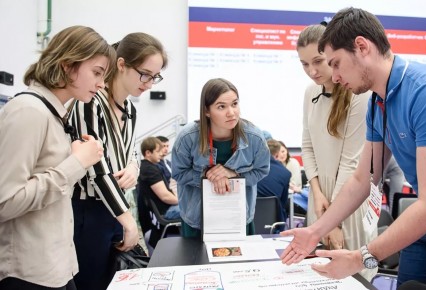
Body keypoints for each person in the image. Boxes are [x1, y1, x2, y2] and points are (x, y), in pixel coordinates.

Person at [281, 8, 426, 290]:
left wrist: (360, 257)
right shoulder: (378, 103)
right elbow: (363, 179)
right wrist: (315, 230)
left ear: (362, 47)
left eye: (335, 64)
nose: (333, 77)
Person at [0, 26, 111, 289]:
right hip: (28, 273)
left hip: (58, 265)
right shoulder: (28, 111)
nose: (101, 84)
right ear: (68, 65)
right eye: (96, 72)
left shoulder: (53, 113)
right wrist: (76, 164)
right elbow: (5, 202)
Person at [69, 32, 168, 290]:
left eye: (154, 76)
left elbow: (130, 151)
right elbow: (95, 168)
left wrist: (134, 167)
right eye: (144, 74)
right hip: (89, 212)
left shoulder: (131, 110)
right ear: (121, 64)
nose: (148, 83)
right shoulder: (90, 103)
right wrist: (127, 221)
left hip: (118, 209)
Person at [295, 23, 376, 280]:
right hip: (319, 203)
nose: (312, 71)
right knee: (318, 275)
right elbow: (307, 146)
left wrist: (334, 221)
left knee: (355, 276)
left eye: (318, 61)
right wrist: (316, 192)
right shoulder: (310, 93)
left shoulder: (359, 94)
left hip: (348, 200)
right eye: (305, 64)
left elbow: (351, 162)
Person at [171, 78, 270, 238]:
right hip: (197, 220)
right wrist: (208, 177)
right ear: (206, 111)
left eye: (235, 104)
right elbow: (178, 173)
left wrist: (234, 175)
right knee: (197, 262)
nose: (231, 112)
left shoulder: (255, 137)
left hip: (238, 218)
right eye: (221, 106)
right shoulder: (187, 138)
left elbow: (262, 171)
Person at [257, 139, 292, 226]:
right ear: (277, 155)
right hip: (273, 224)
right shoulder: (285, 173)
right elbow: (283, 202)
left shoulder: (250, 167)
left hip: (248, 222)